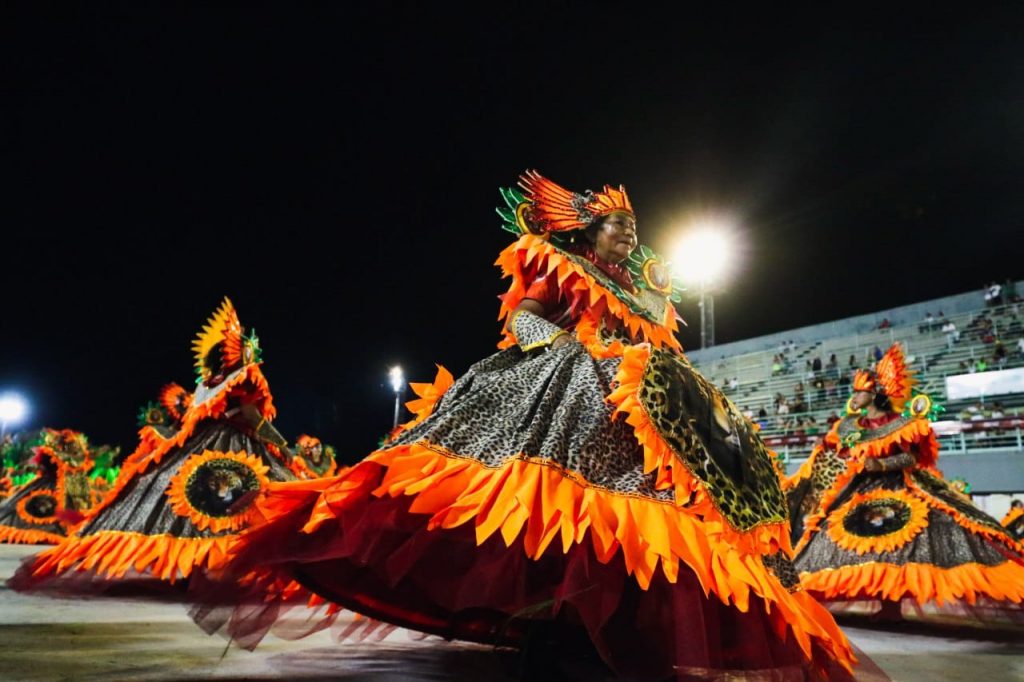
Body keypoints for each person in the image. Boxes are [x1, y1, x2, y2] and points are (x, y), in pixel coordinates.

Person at [180, 171, 855, 679]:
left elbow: (657, 350)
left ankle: (598, 621)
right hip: (561, 386)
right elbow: (525, 319)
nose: (630, 234)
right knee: (542, 510)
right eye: (618, 225)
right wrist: (565, 347)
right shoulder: (558, 266)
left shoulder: (640, 291)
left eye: (633, 226)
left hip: (633, 402)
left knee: (632, 521)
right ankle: (554, 618)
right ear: (587, 231)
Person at [12, 298, 297, 593]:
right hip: (235, 442)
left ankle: (190, 566)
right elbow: (252, 416)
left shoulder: (206, 385)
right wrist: (281, 444)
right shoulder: (242, 377)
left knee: (166, 485)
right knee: (268, 495)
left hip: (201, 441)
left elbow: (193, 422)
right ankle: (251, 566)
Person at [789, 343, 1024, 621]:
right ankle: (875, 603)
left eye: (859, 391)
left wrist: (882, 464)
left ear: (874, 393)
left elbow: (912, 458)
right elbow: (834, 452)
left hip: (900, 484)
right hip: (860, 489)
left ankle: (892, 606)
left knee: (908, 545)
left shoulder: (901, 423)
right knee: (837, 542)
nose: (855, 396)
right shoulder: (850, 427)